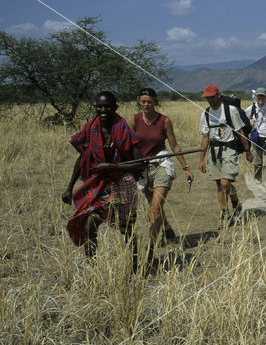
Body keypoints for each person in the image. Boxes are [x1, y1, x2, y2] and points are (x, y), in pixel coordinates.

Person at [62, 91, 144, 269]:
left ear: (115, 107)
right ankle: (92, 268)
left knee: (125, 228)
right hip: (98, 183)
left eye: (107, 106)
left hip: (123, 181)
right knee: (89, 225)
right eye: (99, 106)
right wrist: (69, 187)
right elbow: (82, 159)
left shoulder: (123, 129)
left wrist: (112, 167)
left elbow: (140, 164)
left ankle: (136, 265)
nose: (103, 109)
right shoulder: (90, 128)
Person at [128, 88, 194, 261]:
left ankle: (151, 249)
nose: (146, 105)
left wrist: (185, 167)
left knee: (156, 207)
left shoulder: (164, 120)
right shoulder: (134, 120)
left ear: (155, 102)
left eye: (149, 101)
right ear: (139, 102)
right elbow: (126, 144)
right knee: (153, 205)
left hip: (161, 163)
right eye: (143, 101)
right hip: (142, 167)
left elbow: (175, 145)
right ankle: (166, 227)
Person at [198, 84, 253, 228]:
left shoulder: (230, 110)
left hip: (229, 149)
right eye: (207, 98)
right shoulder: (205, 113)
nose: (210, 100)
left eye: (212, 97)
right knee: (219, 185)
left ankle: (236, 205)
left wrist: (247, 150)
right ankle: (225, 213)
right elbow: (205, 137)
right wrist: (201, 159)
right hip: (214, 151)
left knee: (225, 183)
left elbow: (240, 131)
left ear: (218, 95)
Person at [245, 87, 266, 196]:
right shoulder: (250, 109)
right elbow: (244, 126)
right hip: (256, 141)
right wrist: (249, 124)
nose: (260, 98)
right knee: (257, 164)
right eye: (258, 96)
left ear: (265, 97)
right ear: (255, 96)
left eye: (262, 96)